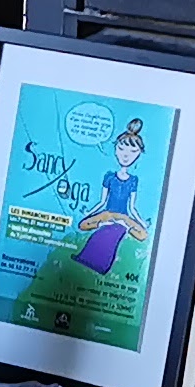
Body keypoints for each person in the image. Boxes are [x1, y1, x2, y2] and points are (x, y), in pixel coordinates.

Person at [72, 117, 150, 274]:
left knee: (132, 234)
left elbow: (132, 207)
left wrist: (140, 222)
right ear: (116, 149)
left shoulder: (133, 180)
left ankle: (100, 265)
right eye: (121, 149)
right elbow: (102, 202)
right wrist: (90, 213)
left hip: (123, 218)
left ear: (138, 154)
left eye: (133, 152)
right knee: (84, 225)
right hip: (107, 214)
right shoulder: (109, 176)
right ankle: (87, 257)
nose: (126, 155)